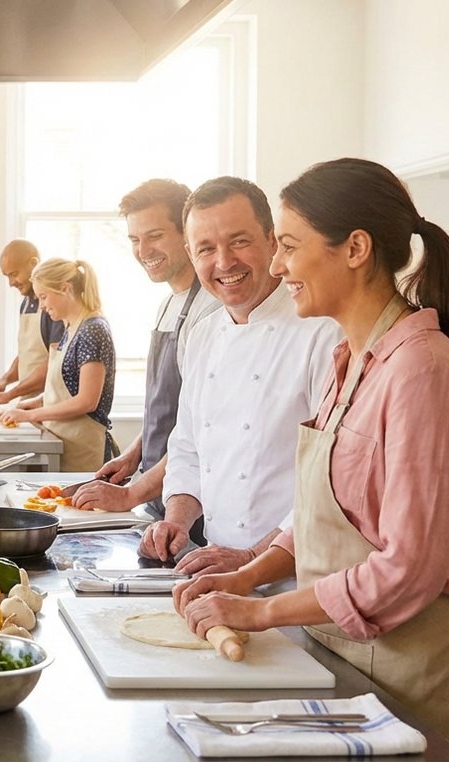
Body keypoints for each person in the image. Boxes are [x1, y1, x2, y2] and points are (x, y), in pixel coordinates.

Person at [174, 158, 449, 758]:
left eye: (288, 246)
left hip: (410, 673)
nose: (277, 266)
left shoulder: (422, 371)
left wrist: (262, 611)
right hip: (345, 656)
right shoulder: (353, 361)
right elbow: (328, 515)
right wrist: (247, 576)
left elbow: (407, 570)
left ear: (355, 249)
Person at [140, 177, 341, 575]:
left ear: (272, 240)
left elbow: (331, 482)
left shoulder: (323, 333)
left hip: (297, 579)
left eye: (239, 241)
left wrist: (252, 561)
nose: (224, 262)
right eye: (206, 249)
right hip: (217, 569)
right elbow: (188, 448)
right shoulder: (203, 334)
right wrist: (176, 519)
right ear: (190, 254)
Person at [71, 180, 220, 521]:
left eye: (155, 236)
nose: (143, 250)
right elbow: (169, 409)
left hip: (190, 502)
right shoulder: (168, 305)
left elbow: (200, 429)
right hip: (157, 491)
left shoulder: (211, 310)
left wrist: (132, 493)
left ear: (188, 233)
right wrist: (134, 454)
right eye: (135, 240)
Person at [0, 258, 117, 471]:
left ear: (65, 289)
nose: (42, 306)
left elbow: (87, 401)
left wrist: (30, 415)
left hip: (83, 450)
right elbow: (68, 388)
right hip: (63, 444)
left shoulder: (93, 329)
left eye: (44, 297)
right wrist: (36, 402)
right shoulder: (70, 328)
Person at [0, 240, 65, 407]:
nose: (11, 283)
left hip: (48, 404)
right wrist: (4, 381)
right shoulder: (26, 303)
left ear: (33, 264)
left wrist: (10, 395)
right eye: (7, 276)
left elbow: (54, 364)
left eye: (14, 274)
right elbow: (27, 355)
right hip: (27, 404)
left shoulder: (53, 307)